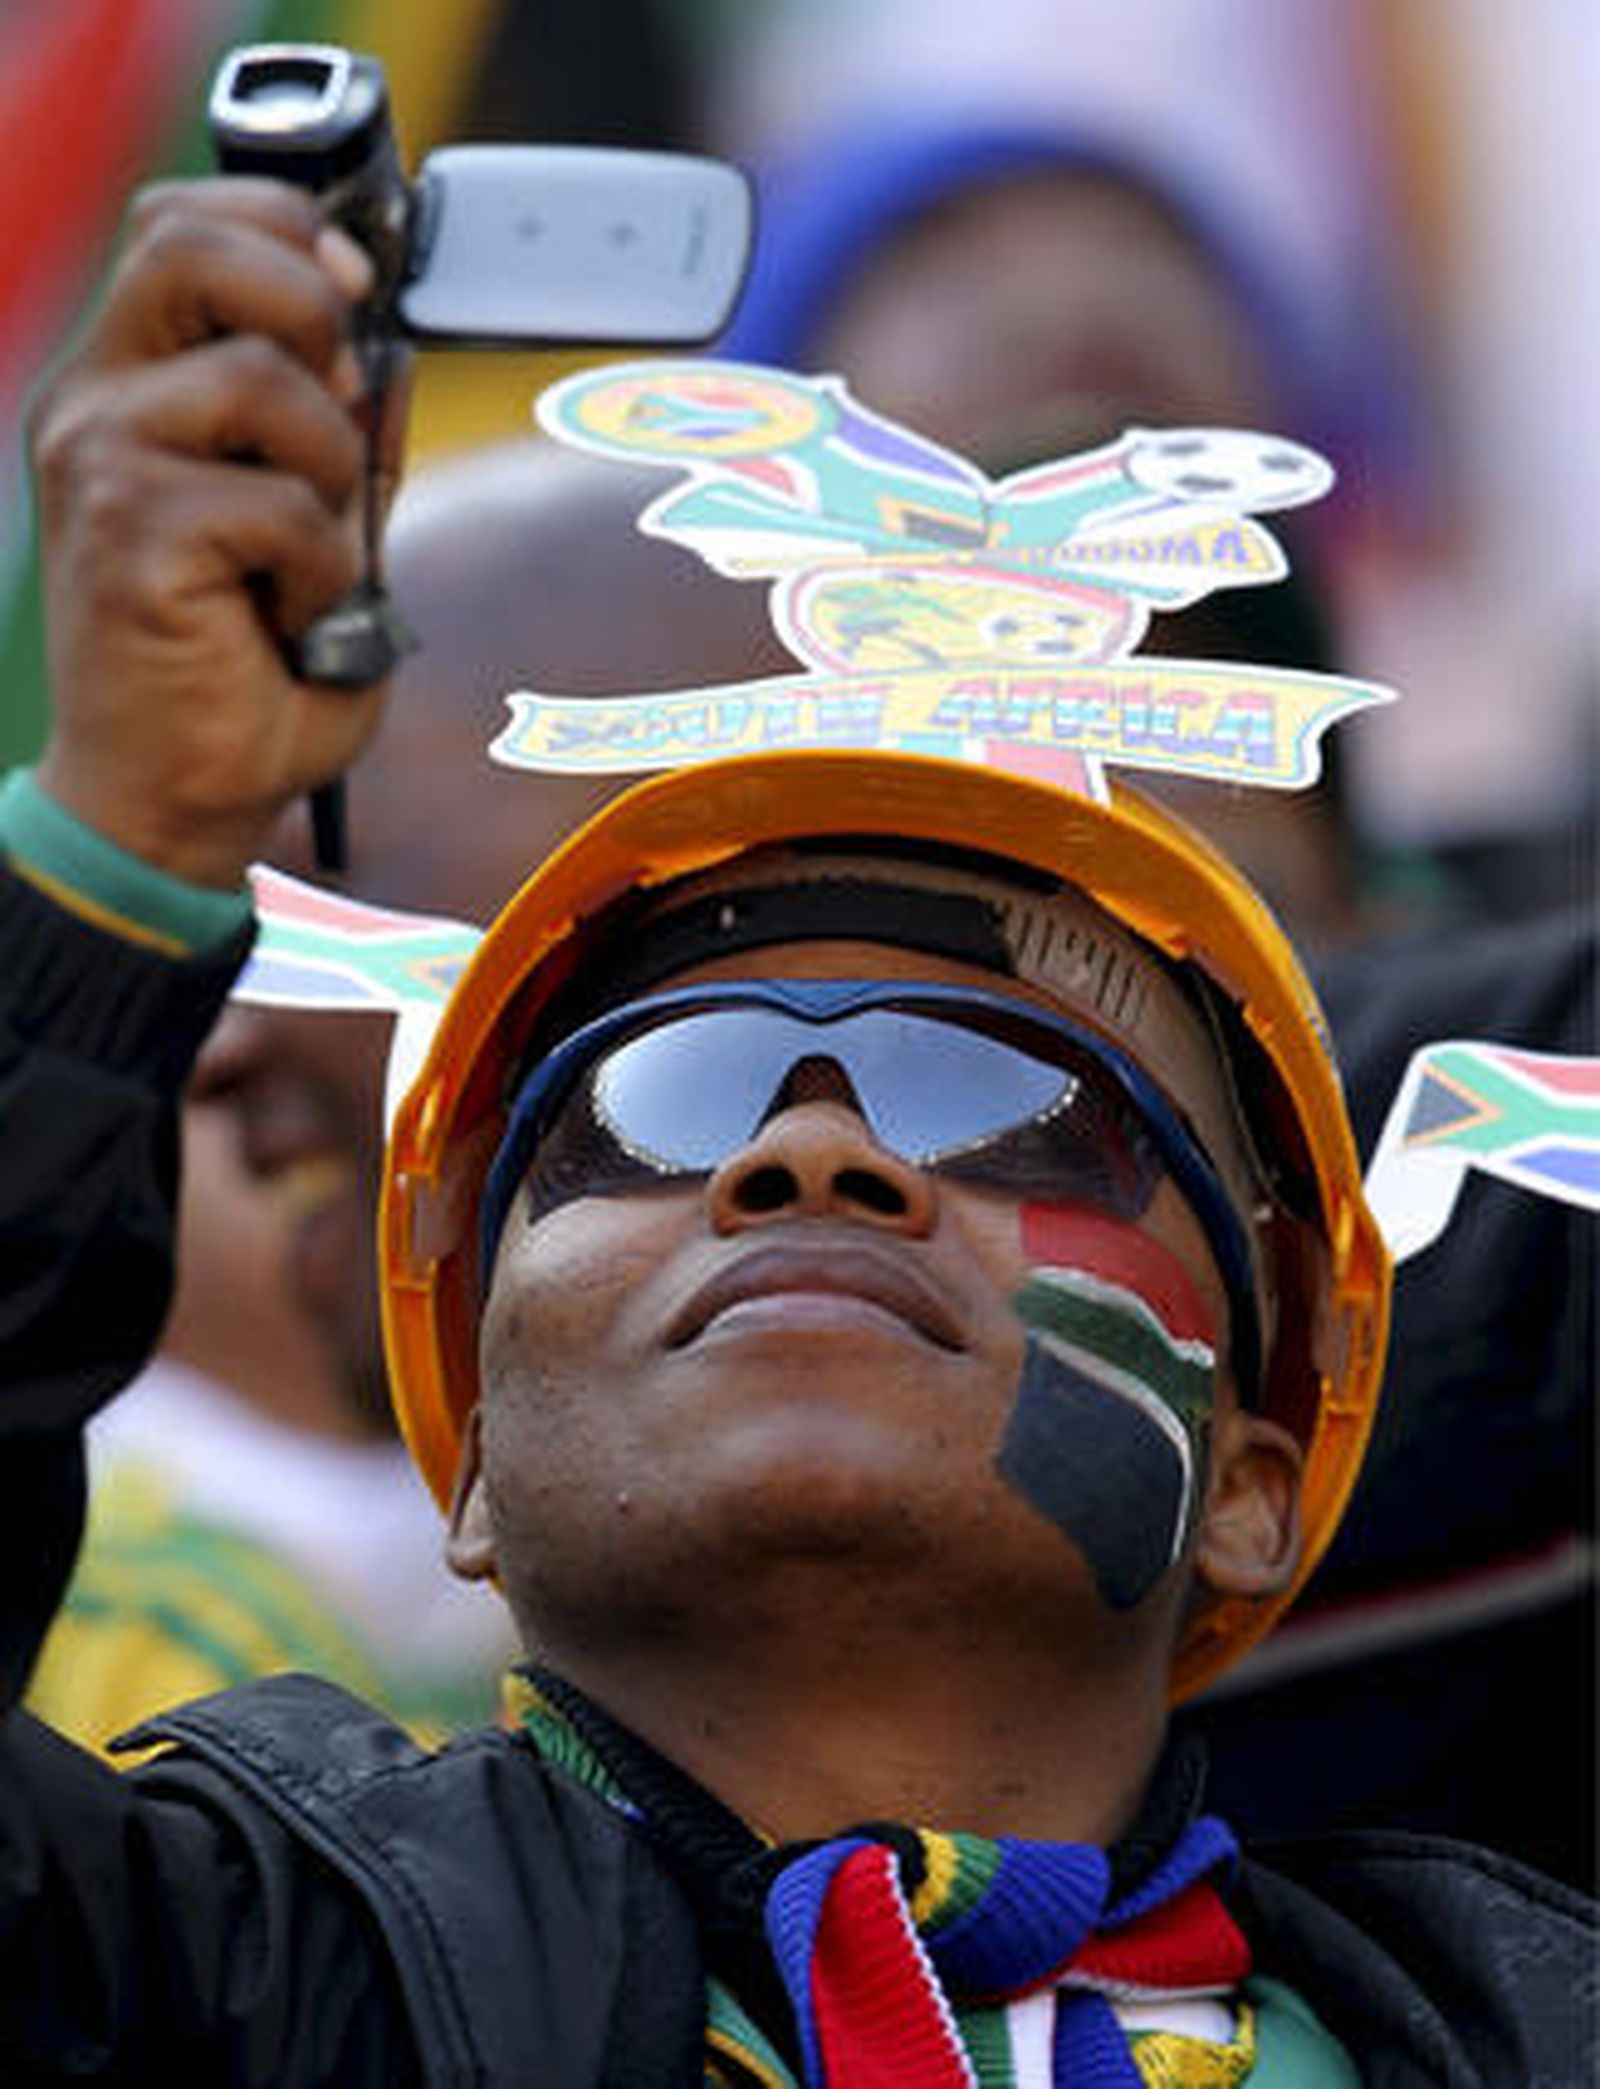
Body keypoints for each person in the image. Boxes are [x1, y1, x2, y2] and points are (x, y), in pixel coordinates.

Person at [0, 174, 1592, 2083]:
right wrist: (100, 865)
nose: (810, 1152)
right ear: (475, 1459)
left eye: (1001, 1100)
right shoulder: (222, 1991)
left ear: (1258, 1473)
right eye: (646, 1104)